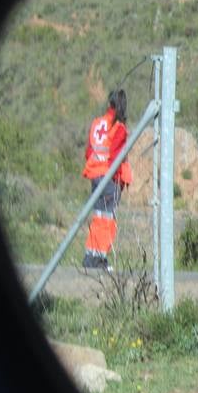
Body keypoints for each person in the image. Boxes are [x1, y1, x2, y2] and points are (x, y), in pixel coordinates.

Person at [81, 89, 132, 270]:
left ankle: (90, 255)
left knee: (98, 216)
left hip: (94, 175)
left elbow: (89, 152)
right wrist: (120, 181)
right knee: (108, 219)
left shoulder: (96, 123)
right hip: (109, 179)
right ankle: (100, 258)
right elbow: (115, 159)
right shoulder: (119, 128)